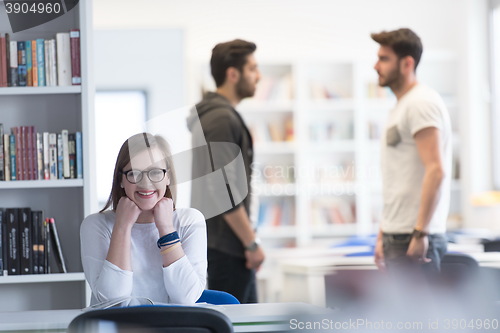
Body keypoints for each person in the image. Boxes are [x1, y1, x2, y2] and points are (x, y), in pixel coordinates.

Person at [81, 133, 207, 305]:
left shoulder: (191, 221)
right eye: (134, 173)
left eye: (155, 172)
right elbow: (112, 301)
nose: (146, 183)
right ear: (121, 180)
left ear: (168, 177)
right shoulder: (95, 225)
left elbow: (186, 298)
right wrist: (122, 227)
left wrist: (166, 228)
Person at [187, 39, 265, 303]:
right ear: (233, 74)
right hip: (227, 247)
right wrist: (251, 244)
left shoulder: (218, 115)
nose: (259, 76)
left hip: (224, 244)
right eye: (253, 69)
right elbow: (224, 190)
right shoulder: (221, 119)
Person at [371, 28, 451, 277]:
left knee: (418, 318)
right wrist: (383, 233)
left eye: (384, 59)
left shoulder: (420, 103)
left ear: (407, 63)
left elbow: (436, 170)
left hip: (413, 237)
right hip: (398, 234)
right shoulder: (401, 105)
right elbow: (400, 178)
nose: (376, 66)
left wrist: (420, 233)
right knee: (402, 317)